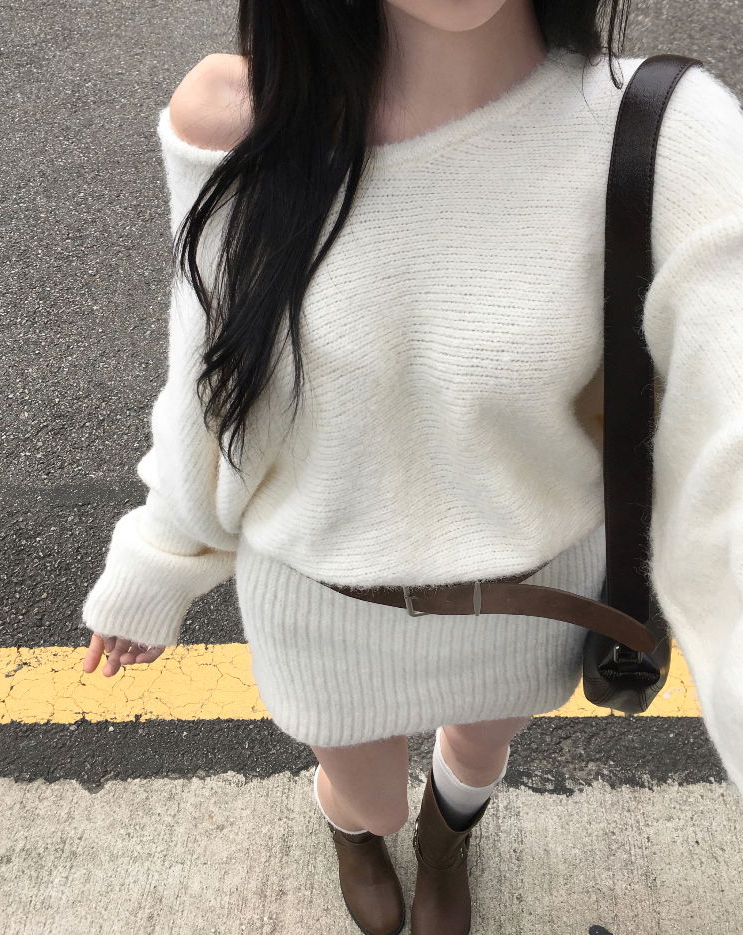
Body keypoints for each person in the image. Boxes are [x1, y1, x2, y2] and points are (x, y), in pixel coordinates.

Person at [81, 1, 743, 933]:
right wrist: (157, 561)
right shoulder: (240, 117)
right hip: (324, 605)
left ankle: (449, 837)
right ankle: (364, 828)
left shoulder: (660, 129)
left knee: (477, 754)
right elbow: (213, 387)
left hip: (531, 595)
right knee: (370, 801)